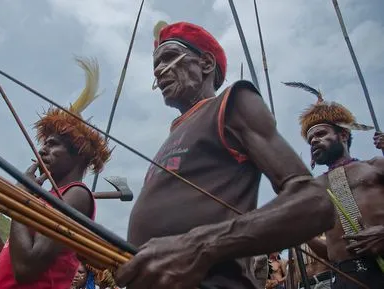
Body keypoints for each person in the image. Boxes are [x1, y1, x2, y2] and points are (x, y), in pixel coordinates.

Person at [114, 21, 335, 289]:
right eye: (155, 66)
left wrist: (199, 246)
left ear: (206, 64)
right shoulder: (173, 134)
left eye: (169, 58)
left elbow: (313, 203)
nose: (160, 71)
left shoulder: (230, 103)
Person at [0, 57, 111, 289]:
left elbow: (27, 269)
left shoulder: (76, 194)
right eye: (44, 143)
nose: (43, 149)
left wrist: (19, 200)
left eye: (53, 144)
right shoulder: (42, 201)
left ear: (79, 153)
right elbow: (6, 264)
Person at [285, 82, 384, 288]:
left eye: (321, 134)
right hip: (345, 277)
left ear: (343, 135)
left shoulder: (374, 166)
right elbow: (330, 253)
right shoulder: (315, 187)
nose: (314, 141)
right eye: (311, 138)